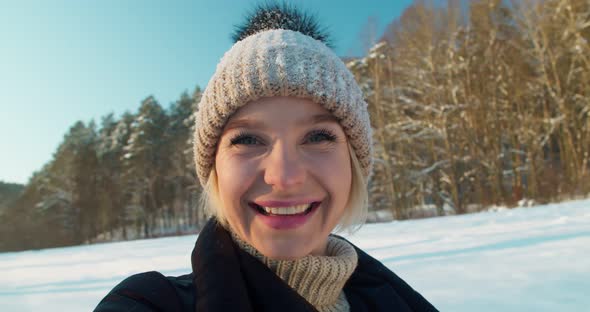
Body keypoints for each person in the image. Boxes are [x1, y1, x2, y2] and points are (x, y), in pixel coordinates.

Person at [95, 3, 438, 312]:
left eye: (318, 136)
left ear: (353, 162)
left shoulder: (399, 302)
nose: (284, 176)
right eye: (247, 139)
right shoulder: (149, 303)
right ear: (213, 167)